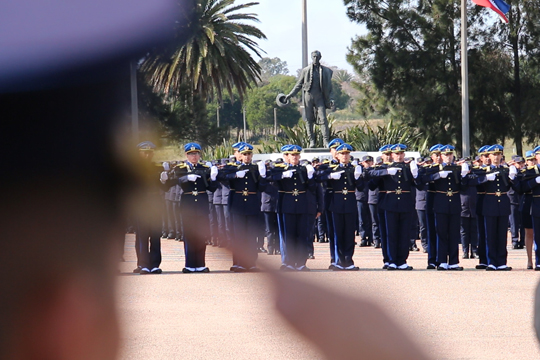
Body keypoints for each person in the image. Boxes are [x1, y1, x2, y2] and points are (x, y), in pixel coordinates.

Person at [368, 144, 420, 270]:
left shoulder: (408, 168)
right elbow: (371, 183)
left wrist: (416, 174)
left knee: (404, 233)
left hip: (405, 203)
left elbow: (420, 185)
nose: (399, 156)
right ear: (391, 155)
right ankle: (390, 259)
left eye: (401, 153)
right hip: (389, 204)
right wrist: (385, 172)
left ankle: (402, 260)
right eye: (396, 153)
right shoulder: (384, 168)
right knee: (390, 233)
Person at [217, 143, 267, 272]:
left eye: (249, 154)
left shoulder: (256, 169)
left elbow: (262, 188)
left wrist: (263, 176)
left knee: (251, 235)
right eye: (244, 154)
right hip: (237, 203)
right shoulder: (232, 167)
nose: (247, 156)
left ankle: (251, 263)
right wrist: (234, 175)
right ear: (240, 155)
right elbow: (221, 177)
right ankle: (238, 262)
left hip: (252, 203)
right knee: (238, 235)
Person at [420, 145, 469, 270]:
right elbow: (423, 179)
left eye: (450, 154)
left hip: (454, 203)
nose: (448, 157)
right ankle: (441, 261)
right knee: (441, 233)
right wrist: (437, 175)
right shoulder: (435, 169)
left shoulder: (457, 168)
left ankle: (453, 261)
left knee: (453, 234)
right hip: (440, 203)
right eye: (446, 155)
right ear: (441, 156)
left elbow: (463, 188)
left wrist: (464, 176)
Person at [270, 145, 317, 271]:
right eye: (292, 155)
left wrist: (311, 176)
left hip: (302, 204)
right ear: (286, 156)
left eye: (297, 155)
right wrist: (282, 175)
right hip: (287, 204)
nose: (295, 157)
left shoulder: (303, 169)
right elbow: (270, 179)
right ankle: (288, 262)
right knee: (288, 235)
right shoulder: (279, 169)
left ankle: (301, 262)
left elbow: (312, 188)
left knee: (302, 234)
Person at [133, 141, 176, 274]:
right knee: (142, 235)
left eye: (150, 153)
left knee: (155, 235)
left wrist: (165, 180)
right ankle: (143, 264)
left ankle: (155, 264)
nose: (147, 156)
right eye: (144, 153)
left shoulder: (157, 168)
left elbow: (165, 187)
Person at [319, 143, 364, 270]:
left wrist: (358, 177)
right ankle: (338, 261)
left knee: (349, 233)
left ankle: (348, 260)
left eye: (347, 154)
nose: (345, 156)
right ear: (337, 156)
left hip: (349, 202)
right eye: (342, 154)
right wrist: (330, 176)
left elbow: (361, 187)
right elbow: (319, 177)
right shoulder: (332, 168)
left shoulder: (354, 168)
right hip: (336, 203)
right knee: (337, 233)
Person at [177, 143, 218, 273]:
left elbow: (211, 188)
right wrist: (186, 178)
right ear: (186, 155)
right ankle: (189, 264)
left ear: (200, 155)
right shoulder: (181, 168)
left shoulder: (205, 168)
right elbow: (173, 180)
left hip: (201, 204)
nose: (194, 156)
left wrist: (213, 178)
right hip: (188, 204)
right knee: (189, 235)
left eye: (196, 154)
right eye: (191, 154)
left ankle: (200, 263)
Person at [283, 51, 334, 147]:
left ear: (320, 57)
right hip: (308, 97)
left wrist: (331, 98)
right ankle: (312, 141)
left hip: (320, 97)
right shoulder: (306, 71)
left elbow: (330, 87)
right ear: (311, 57)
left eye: (317, 56)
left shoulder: (326, 71)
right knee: (309, 120)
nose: (315, 58)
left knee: (323, 119)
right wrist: (289, 95)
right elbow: (298, 85)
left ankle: (326, 141)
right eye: (314, 57)